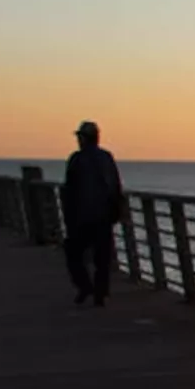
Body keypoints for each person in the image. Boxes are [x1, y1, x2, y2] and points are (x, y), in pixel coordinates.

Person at [62, 121, 125, 306]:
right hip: (103, 216)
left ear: (84, 139)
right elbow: (116, 186)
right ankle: (100, 293)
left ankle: (85, 287)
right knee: (102, 258)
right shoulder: (106, 158)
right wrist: (116, 211)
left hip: (81, 217)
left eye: (80, 137)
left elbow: (69, 190)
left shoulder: (76, 159)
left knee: (74, 254)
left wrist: (68, 216)